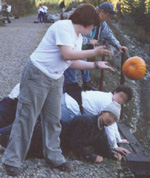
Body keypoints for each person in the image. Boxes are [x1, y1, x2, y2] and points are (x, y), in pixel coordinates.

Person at [2, 4, 114, 176]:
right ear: (87, 21)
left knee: (53, 120)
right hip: (37, 74)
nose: (93, 29)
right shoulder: (63, 27)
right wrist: (94, 52)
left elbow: (71, 62)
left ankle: (53, 157)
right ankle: (12, 160)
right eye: (93, 25)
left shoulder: (77, 37)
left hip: (56, 78)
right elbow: (67, 54)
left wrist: (96, 64)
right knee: (27, 118)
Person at [0, 83, 132, 155]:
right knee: (45, 129)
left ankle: (11, 136)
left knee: (42, 126)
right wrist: (114, 146)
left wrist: (118, 140)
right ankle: (9, 137)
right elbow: (110, 126)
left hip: (68, 102)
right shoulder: (107, 101)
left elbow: (112, 123)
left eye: (124, 100)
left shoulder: (109, 102)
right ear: (114, 92)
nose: (120, 100)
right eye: (120, 96)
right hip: (68, 107)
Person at [0, 102, 122, 163]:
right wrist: (91, 157)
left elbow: (102, 145)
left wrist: (111, 154)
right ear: (103, 112)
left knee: (24, 151)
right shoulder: (87, 121)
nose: (111, 119)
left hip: (56, 144)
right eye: (110, 115)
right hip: (50, 134)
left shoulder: (100, 130)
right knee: (20, 139)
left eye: (114, 119)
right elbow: (76, 144)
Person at [63, 2, 128, 91]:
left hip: (83, 51)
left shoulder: (102, 24)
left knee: (82, 63)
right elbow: (75, 36)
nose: (109, 18)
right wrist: (89, 41)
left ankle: (84, 84)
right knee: (71, 71)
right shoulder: (87, 19)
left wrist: (118, 45)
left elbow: (109, 35)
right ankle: (68, 90)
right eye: (108, 15)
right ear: (102, 12)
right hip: (73, 49)